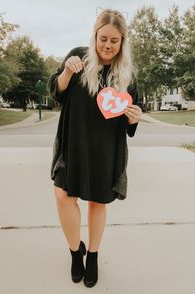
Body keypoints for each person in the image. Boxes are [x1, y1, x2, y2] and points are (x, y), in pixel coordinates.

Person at [48, 8, 142, 288]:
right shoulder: (78, 57)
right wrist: (66, 70)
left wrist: (134, 117)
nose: (108, 45)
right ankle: (75, 251)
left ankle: (94, 254)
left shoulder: (126, 75)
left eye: (115, 40)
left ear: (122, 41)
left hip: (105, 149)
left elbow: (129, 122)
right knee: (64, 198)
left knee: (98, 201)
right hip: (72, 143)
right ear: (95, 35)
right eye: (103, 38)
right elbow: (57, 92)